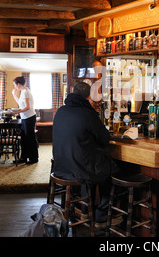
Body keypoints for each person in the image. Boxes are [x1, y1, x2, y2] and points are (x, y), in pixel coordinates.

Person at [52, 82, 119, 226]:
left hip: (61, 167)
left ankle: (83, 209)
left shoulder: (61, 111)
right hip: (79, 169)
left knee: (88, 162)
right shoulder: (88, 114)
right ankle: (102, 215)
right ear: (89, 96)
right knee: (110, 168)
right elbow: (105, 139)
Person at [12, 76, 39, 164]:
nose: (15, 87)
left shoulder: (25, 92)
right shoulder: (24, 91)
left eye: (15, 85)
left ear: (18, 84)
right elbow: (21, 104)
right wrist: (14, 95)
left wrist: (18, 111)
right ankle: (23, 158)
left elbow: (28, 107)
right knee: (24, 138)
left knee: (30, 138)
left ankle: (34, 158)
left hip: (29, 117)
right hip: (25, 117)